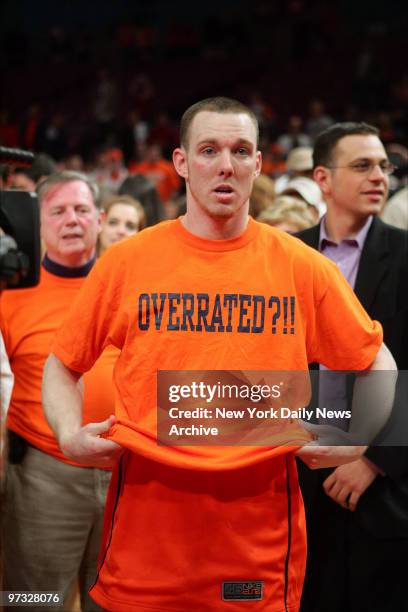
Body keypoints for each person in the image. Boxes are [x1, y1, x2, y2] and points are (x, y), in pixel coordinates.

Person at [43, 98, 395, 612]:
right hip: (147, 535)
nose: (225, 164)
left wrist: (358, 438)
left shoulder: (300, 266)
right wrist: (68, 434)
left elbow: (376, 358)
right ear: (181, 162)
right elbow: (63, 363)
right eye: (208, 150)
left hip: (256, 545)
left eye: (240, 151)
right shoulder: (128, 262)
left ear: (258, 164)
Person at [296, 122, 408, 612]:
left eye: (384, 166)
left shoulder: (406, 256)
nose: (379, 176)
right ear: (322, 177)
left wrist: (374, 458)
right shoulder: (286, 254)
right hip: (295, 476)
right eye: (362, 165)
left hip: (382, 486)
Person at [1, 171, 118, 611]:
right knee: (35, 599)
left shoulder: (129, 285)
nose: (72, 220)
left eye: (82, 210)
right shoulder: (10, 296)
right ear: (39, 223)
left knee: (115, 600)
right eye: (59, 211)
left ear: (101, 218)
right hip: (43, 477)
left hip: (128, 472)